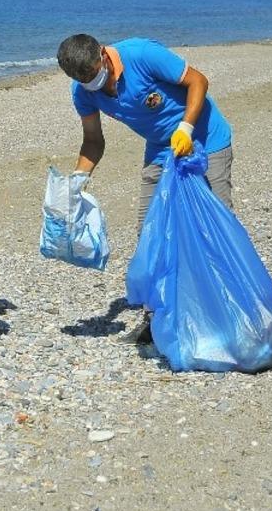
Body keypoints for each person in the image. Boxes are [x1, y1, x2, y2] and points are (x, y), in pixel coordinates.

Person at [56, 34, 234, 344]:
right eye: (82, 80)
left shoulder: (141, 55)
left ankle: (228, 312)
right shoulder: (83, 91)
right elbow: (94, 141)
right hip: (161, 151)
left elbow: (198, 82)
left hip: (205, 139)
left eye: (94, 73)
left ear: (103, 55)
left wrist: (186, 127)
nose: (92, 83)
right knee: (150, 234)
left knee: (215, 227)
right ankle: (156, 319)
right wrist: (77, 180)